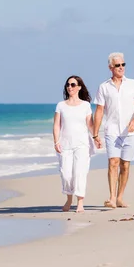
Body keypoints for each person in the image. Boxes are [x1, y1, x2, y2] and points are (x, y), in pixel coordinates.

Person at [92, 52, 134, 208]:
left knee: (125, 165)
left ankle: (120, 197)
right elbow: (100, 111)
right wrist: (95, 133)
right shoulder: (104, 87)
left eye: (123, 64)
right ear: (110, 67)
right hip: (112, 131)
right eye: (117, 65)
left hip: (130, 131)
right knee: (113, 162)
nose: (121, 67)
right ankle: (112, 198)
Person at [53, 75, 95, 213]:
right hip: (65, 144)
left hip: (82, 144)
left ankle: (80, 202)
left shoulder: (85, 105)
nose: (69, 87)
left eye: (72, 84)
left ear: (79, 87)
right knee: (66, 173)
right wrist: (56, 141)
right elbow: (56, 125)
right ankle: (69, 198)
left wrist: (96, 137)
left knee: (80, 172)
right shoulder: (61, 105)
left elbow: (90, 124)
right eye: (68, 85)